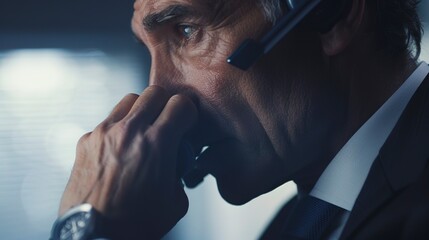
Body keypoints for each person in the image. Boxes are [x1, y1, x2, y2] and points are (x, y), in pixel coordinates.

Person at [51, 0, 429, 239]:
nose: (161, 93)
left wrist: (89, 232)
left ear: (333, 14)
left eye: (186, 31)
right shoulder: (290, 228)